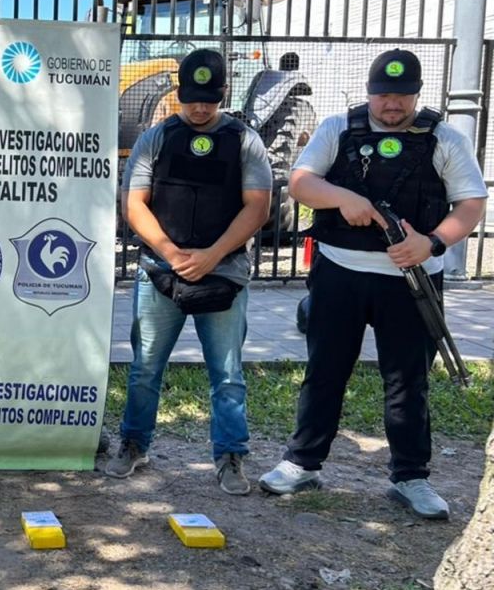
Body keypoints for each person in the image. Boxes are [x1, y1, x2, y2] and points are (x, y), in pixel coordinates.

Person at [259, 49, 487, 519]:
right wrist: (342, 198)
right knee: (324, 371)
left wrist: (431, 243)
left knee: (408, 381)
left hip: (412, 280)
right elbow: (300, 182)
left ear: (416, 95)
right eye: (384, 95)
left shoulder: (443, 137)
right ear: (370, 92)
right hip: (340, 273)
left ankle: (411, 477)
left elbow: (471, 203)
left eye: (402, 96)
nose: (392, 105)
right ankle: (302, 462)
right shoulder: (338, 128)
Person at [106, 48, 272, 495]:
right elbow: (134, 203)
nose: (200, 108)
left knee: (228, 374)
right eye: (192, 98)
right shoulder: (156, 138)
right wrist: (170, 252)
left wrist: (212, 255)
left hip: (224, 273)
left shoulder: (244, 140)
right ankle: (134, 444)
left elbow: (258, 207)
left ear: (224, 93)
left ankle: (230, 455)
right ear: (179, 92)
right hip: (160, 272)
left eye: (210, 99)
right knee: (144, 369)